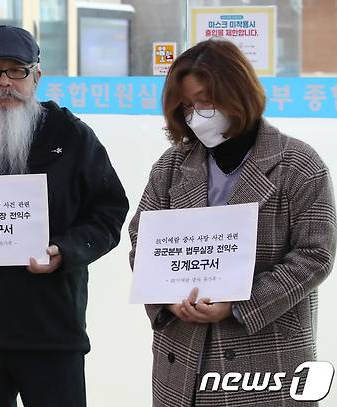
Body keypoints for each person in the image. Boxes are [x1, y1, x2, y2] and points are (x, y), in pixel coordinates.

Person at [0, 25, 129, 407]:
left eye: (16, 70)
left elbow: (110, 210)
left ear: (36, 75)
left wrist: (65, 251)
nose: (4, 83)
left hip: (52, 332)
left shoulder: (72, 137)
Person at [128, 38, 336, 407]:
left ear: (237, 90)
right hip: (184, 355)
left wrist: (241, 303)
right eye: (187, 106)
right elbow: (142, 239)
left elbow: (315, 254)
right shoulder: (172, 166)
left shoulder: (298, 164)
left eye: (205, 101)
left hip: (267, 355)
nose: (196, 114)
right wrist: (168, 298)